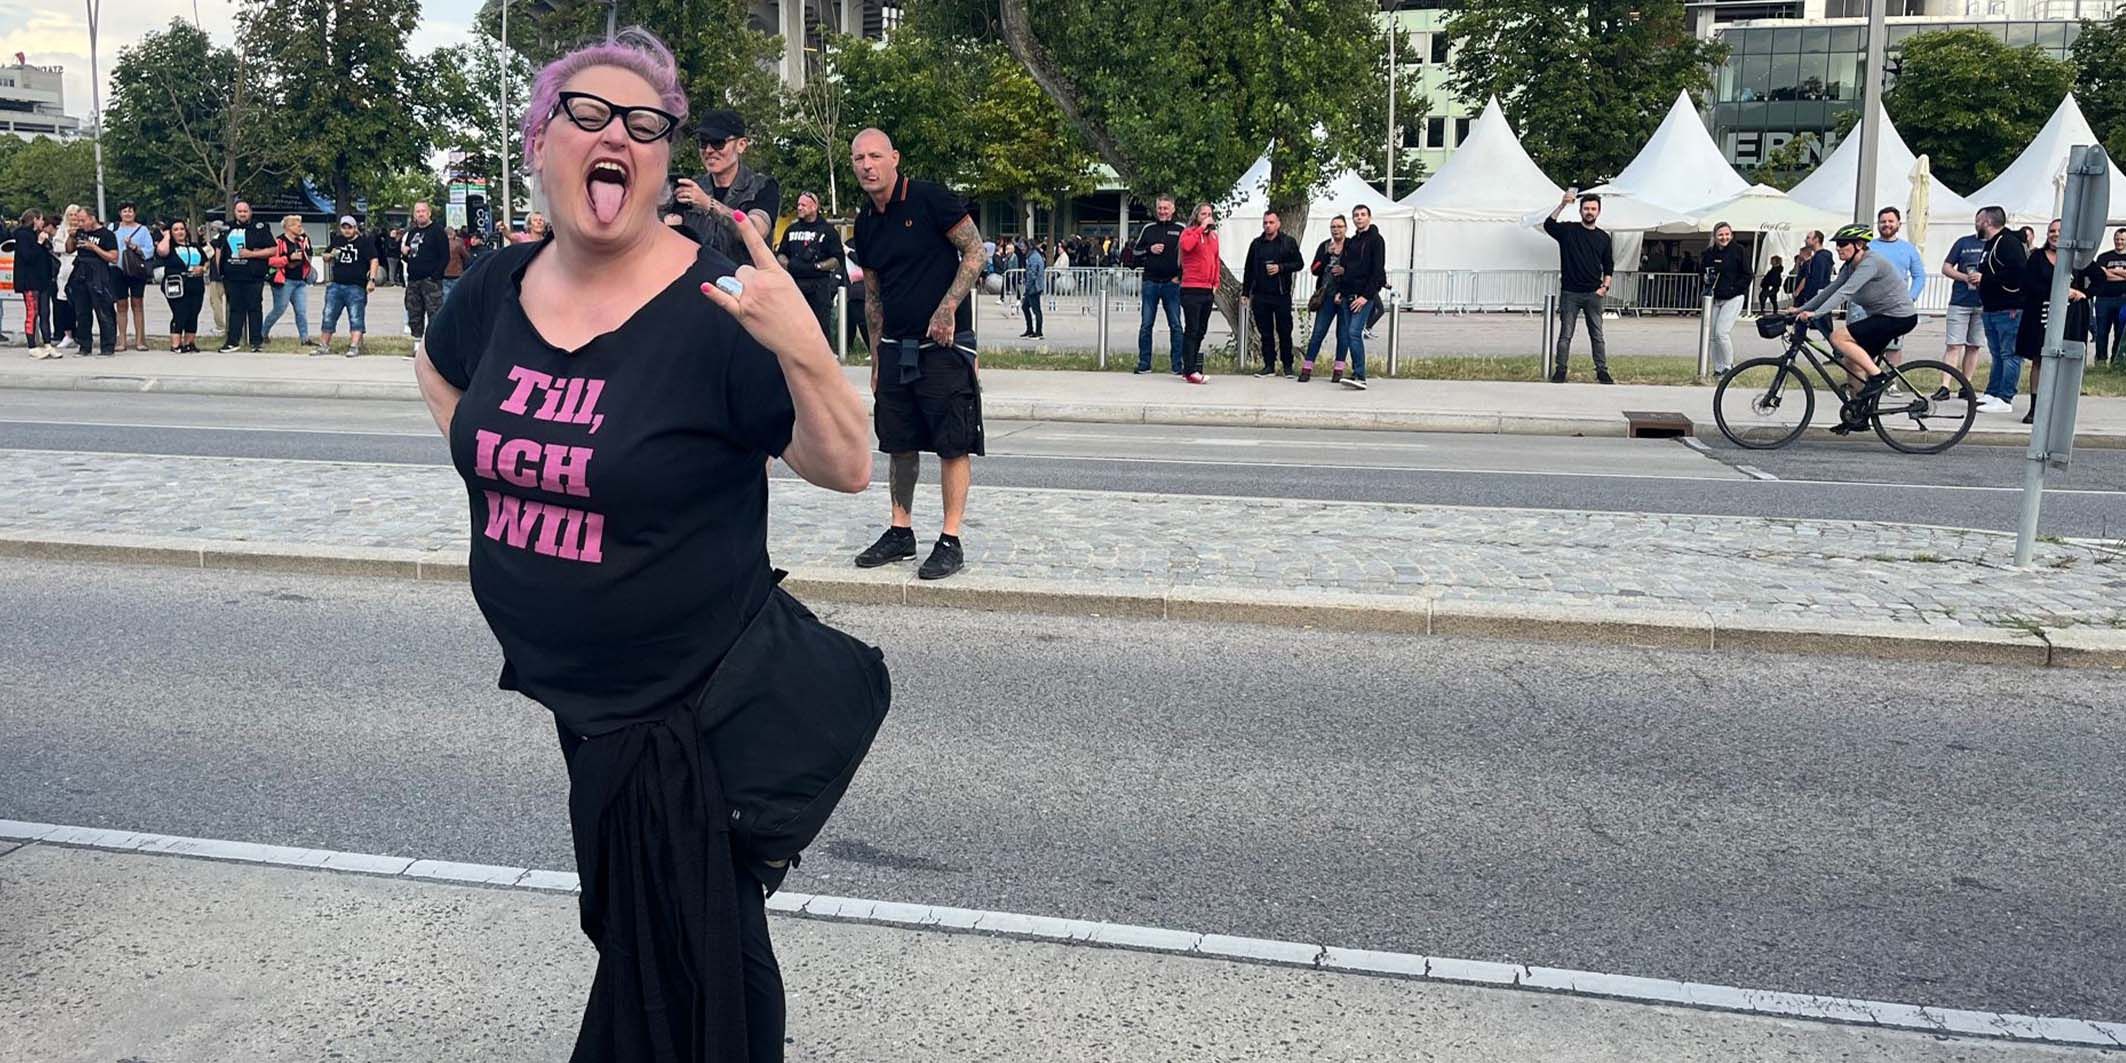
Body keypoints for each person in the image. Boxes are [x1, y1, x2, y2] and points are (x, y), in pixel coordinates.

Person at [413, 31, 874, 1062]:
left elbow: (846, 464)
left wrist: (802, 343)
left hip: (687, 706)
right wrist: (494, 468)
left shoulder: (714, 304)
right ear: (538, 143)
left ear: (664, 163)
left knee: (701, 943)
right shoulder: (496, 285)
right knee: (641, 927)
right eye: (585, 113)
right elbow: (436, 372)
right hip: (577, 700)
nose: (615, 134)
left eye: (644, 125)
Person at [847, 126, 987, 581]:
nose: (867, 165)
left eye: (874, 156)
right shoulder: (866, 221)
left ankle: (950, 540)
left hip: (942, 347)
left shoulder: (930, 199)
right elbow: (872, 295)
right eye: (858, 159)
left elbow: (975, 251)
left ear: (894, 158)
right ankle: (900, 530)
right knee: (899, 443)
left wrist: (948, 307)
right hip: (895, 350)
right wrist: (875, 359)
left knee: (952, 443)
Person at [1791, 224, 1921, 433]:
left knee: (1838, 337)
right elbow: (1831, 289)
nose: (1838, 248)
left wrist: (1817, 314)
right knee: (1851, 362)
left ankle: (1878, 377)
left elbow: (1845, 293)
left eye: (1843, 244)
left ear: (1859, 245)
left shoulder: (1871, 263)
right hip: (1881, 316)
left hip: (1898, 317)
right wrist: (1801, 308)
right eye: (1837, 245)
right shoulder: (1849, 266)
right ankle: (1859, 417)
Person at [674, 109, 780, 265]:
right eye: (703, 142)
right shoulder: (691, 188)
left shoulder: (763, 186)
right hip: (700, 285)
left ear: (741, 145)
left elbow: (756, 231)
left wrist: (708, 204)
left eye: (718, 142)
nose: (709, 150)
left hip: (746, 285)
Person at [2017, 218, 2089, 426]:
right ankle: (2035, 406)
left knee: (2064, 361)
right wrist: (2061, 292)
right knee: (2039, 359)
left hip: (2070, 316)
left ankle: (2059, 407)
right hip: (2041, 313)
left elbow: (2097, 278)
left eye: (2059, 231)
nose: (2055, 234)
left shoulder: (2077, 258)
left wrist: (2083, 294)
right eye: (2051, 231)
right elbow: (2028, 285)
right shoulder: (2037, 257)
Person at [1544, 192, 1615, 384]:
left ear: (1599, 211)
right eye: (1586, 208)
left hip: (1594, 293)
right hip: (1570, 293)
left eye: (1593, 209)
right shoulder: (1568, 231)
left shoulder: (1603, 238)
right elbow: (1548, 225)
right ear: (1580, 210)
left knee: (1597, 335)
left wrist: (1604, 287)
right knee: (1566, 334)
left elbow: (1609, 264)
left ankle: (1602, 371)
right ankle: (1561, 370)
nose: (1589, 212)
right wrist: (1561, 205)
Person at [1972, 206, 2029, 413]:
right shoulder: (1990, 244)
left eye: (1978, 220)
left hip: (2009, 307)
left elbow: (2018, 272)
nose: (1976, 225)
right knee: (1996, 353)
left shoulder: (2007, 242)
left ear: (1987, 221)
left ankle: (2005, 398)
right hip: (1991, 307)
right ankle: (1992, 392)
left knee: (2009, 354)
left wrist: (1985, 279)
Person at [774, 191, 844, 341]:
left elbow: (837, 259)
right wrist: (789, 265)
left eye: (803, 205)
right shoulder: (791, 229)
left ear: (814, 207)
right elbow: (780, 254)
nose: (799, 208)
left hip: (818, 286)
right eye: (798, 204)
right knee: (792, 329)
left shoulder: (827, 231)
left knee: (820, 329)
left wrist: (817, 267)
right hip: (794, 285)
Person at [1243, 209, 1304, 378]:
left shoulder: (1287, 242)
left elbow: (1299, 263)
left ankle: (1288, 366)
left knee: (1285, 331)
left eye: (1271, 222)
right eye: (1265, 223)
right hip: (1261, 295)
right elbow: (1248, 269)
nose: (1268, 226)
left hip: (1281, 294)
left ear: (1278, 224)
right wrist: (1246, 292)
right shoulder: (1256, 244)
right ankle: (1269, 365)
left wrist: (1281, 267)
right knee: (1266, 333)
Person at [1868, 206, 1928, 366]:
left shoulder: (1908, 249)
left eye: (1890, 221)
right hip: (1870, 305)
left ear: (1898, 224)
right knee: (1867, 344)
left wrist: (1911, 297)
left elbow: (1919, 276)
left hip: (1896, 305)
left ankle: (1890, 381)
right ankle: (1867, 381)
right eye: (1882, 221)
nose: (1886, 224)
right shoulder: (1869, 247)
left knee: (1893, 347)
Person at [1132, 194, 1185, 375]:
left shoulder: (1181, 229)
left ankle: (1177, 365)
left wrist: (1180, 276)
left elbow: (1188, 257)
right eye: (1160, 208)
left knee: (1176, 325)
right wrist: (1149, 249)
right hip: (1151, 283)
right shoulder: (1148, 229)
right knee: (1146, 324)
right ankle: (1144, 363)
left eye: (1165, 208)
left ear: (1172, 210)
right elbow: (1134, 253)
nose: (1162, 211)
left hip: (1172, 284)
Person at [1940, 219, 1991, 407]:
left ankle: (1965, 384)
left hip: (1984, 303)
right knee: (1953, 345)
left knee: (1974, 345)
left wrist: (1985, 279)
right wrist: (1964, 277)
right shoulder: (1964, 242)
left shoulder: (1996, 246)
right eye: (1978, 220)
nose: (1980, 224)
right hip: (1960, 301)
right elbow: (1946, 267)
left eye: (1984, 220)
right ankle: (1945, 385)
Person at [1338, 204, 1387, 390]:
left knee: (1354, 332)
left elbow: (1377, 271)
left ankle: (1361, 376)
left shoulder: (1376, 240)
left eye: (1363, 215)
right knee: (1349, 334)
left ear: (1369, 217)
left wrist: (1366, 297)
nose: (1359, 218)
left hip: (1364, 295)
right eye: (1356, 215)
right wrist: (1341, 291)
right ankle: (1356, 370)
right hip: (1348, 294)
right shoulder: (1351, 242)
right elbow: (1346, 268)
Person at [1299, 215, 1350, 383]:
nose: (1336, 230)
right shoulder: (1324, 246)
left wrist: (1344, 271)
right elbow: (1314, 269)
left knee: (1343, 335)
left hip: (1344, 296)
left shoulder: (1351, 245)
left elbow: (1357, 268)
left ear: (1345, 228)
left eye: (1339, 226)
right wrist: (1326, 256)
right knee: (1318, 333)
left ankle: (1338, 370)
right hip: (1326, 296)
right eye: (1333, 227)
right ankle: (1307, 368)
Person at [218, 201, 274, 352]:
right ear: (235, 212)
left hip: (253, 275)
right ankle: (232, 341)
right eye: (239, 211)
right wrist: (219, 271)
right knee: (235, 309)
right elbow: (218, 248)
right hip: (232, 275)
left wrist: (253, 254)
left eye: (245, 211)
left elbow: (273, 249)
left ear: (250, 212)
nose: (242, 214)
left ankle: (256, 341)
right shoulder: (227, 228)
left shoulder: (260, 227)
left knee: (254, 308)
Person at [321, 215, 379, 357]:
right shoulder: (337, 240)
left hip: (356, 286)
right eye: (344, 227)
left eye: (350, 227)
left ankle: (354, 346)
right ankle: (323, 346)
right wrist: (329, 255)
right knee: (328, 315)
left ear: (355, 228)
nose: (346, 230)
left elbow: (374, 260)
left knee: (356, 316)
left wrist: (372, 280)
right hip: (336, 284)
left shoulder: (364, 242)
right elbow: (325, 256)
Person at [1700, 222, 1752, 374]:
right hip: (1714, 298)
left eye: (1727, 234)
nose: (1724, 237)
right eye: (1721, 235)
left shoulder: (1739, 250)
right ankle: (1718, 368)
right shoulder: (1709, 252)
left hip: (1733, 297)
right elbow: (1702, 271)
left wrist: (1734, 289)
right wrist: (1706, 279)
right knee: (1712, 336)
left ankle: (1728, 367)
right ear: (1715, 236)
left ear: (1732, 234)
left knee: (1722, 332)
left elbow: (1748, 274)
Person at [1176, 202, 1220, 385]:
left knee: (1201, 329)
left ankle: (1191, 364)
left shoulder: (1214, 237)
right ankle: (1190, 370)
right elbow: (1186, 246)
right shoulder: (1188, 233)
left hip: (1207, 288)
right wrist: (1200, 229)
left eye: (1209, 213)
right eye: (1203, 214)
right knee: (1192, 329)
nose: (1207, 216)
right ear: (1197, 216)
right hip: (1191, 287)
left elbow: (1216, 259)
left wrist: (1216, 281)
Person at [260, 215, 319, 347]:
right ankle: (263, 333)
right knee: (279, 309)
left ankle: (305, 339)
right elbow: (271, 261)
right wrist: (288, 258)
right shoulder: (279, 242)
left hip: (300, 281)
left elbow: (309, 254)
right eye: (298, 225)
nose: (300, 227)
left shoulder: (301, 241)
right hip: (284, 280)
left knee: (301, 311)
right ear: (288, 227)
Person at [67, 211, 119, 355]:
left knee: (104, 311)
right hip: (80, 272)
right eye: (78, 221)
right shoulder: (80, 232)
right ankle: (84, 345)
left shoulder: (107, 235)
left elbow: (113, 257)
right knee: (82, 312)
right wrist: (71, 237)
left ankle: (107, 347)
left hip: (99, 274)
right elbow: (69, 249)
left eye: (83, 221)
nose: (81, 224)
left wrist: (94, 247)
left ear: (92, 218)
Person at [155, 219, 208, 353]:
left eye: (182, 229)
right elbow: (161, 251)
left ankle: (189, 342)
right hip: (176, 284)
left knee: (193, 313)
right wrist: (166, 235)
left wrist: (202, 268)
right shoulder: (169, 247)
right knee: (180, 312)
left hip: (195, 283)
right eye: (176, 229)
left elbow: (206, 260)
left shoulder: (195, 246)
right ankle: (175, 344)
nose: (179, 232)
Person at [109, 202, 155, 351]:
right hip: (117, 269)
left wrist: (135, 247)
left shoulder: (142, 230)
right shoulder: (113, 228)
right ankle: (121, 340)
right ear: (120, 213)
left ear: (135, 213)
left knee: (138, 304)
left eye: (130, 211)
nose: (127, 214)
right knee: (121, 305)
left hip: (136, 270)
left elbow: (149, 250)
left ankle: (140, 340)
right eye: (124, 211)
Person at [402, 202, 449, 341]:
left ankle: (434, 343)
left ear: (429, 213)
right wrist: (404, 253)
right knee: (414, 312)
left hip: (430, 280)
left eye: (423, 211)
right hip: (413, 279)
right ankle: (417, 342)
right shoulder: (412, 232)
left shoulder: (437, 231)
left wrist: (436, 275)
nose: (420, 214)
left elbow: (445, 256)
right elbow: (409, 256)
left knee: (434, 312)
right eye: (417, 211)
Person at [2080, 227, 2126, 368]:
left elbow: (2107, 274)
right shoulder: (2103, 257)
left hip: (2123, 300)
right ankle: (2100, 361)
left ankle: (2116, 361)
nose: (2119, 242)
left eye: (2122, 239)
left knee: (2120, 331)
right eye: (2117, 239)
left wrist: (2110, 271)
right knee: (2101, 331)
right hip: (2104, 299)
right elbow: (2101, 275)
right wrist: (2121, 274)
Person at [14, 209, 50, 353]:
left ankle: (47, 342)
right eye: (41, 219)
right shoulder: (23, 235)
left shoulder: (35, 235)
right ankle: (32, 346)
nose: (43, 222)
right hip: (28, 280)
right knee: (32, 312)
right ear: (34, 219)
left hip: (41, 280)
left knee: (44, 312)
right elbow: (28, 256)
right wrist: (39, 243)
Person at [50, 205, 77, 351]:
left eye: (75, 214)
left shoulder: (84, 229)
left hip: (80, 267)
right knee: (64, 302)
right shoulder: (61, 230)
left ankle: (81, 334)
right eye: (70, 214)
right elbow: (59, 248)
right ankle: (67, 335)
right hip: (65, 267)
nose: (73, 217)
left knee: (80, 304)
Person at [1019, 239, 1046, 338]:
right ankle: (1030, 329)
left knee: (1036, 310)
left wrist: (1027, 288)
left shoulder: (1033, 257)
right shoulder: (1032, 256)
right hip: (1033, 287)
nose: (1022, 248)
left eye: (1024, 247)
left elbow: (1032, 274)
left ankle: (1038, 332)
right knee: (1025, 307)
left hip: (1034, 288)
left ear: (1029, 247)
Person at [443, 225, 470, 299]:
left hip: (444, 274)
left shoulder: (440, 244)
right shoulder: (458, 244)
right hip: (457, 273)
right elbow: (467, 256)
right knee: (457, 296)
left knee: (445, 296)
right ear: (453, 234)